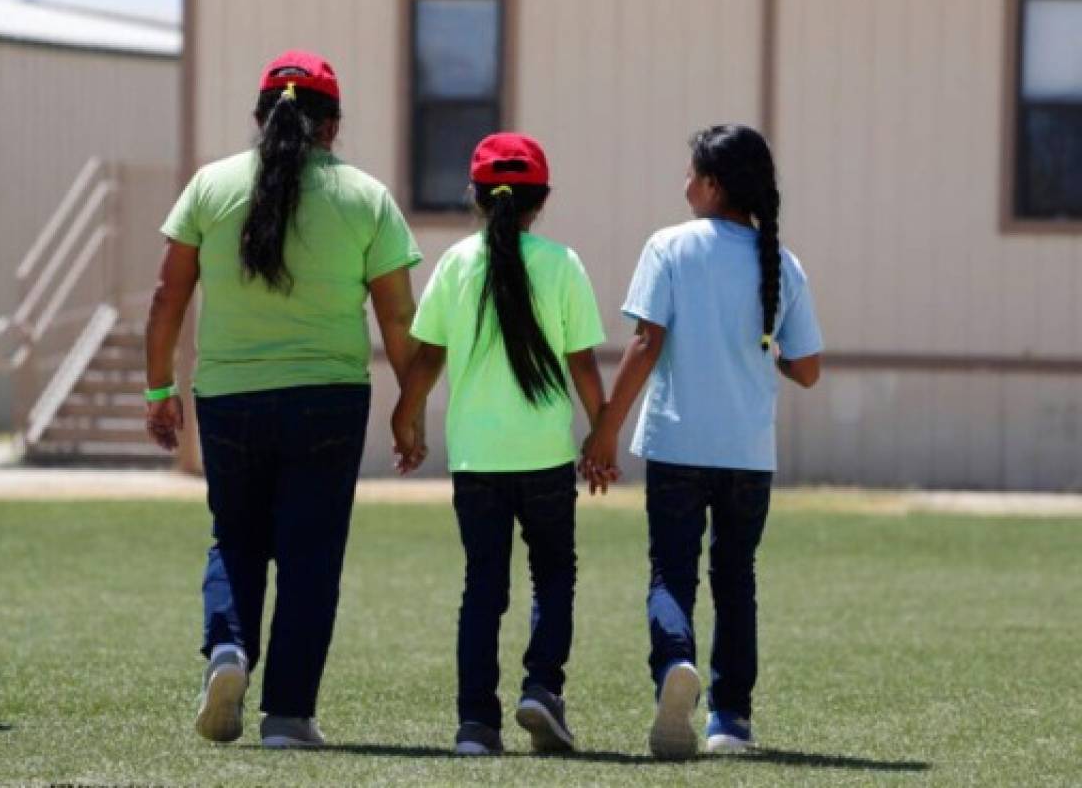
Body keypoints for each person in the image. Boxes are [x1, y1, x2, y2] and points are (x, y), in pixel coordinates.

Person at [144, 50, 423, 749]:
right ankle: (289, 717)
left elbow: (167, 295)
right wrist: (409, 408)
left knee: (235, 537)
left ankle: (229, 651)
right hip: (328, 399)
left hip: (229, 396)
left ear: (259, 118)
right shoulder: (366, 196)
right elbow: (397, 320)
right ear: (333, 126)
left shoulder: (210, 187)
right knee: (310, 555)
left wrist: (158, 390)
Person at [581, 124, 823, 759]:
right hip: (748, 453)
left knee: (671, 573)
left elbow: (645, 342)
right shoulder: (783, 262)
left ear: (712, 185)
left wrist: (605, 427)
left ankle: (674, 667)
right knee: (736, 577)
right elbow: (807, 368)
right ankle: (731, 722)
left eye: (690, 172)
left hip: (677, 443)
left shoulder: (669, 247)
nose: (683, 183)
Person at [392, 133, 607, 756]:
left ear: (476, 197)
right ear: (542, 201)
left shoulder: (456, 263)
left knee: (483, 585)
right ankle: (542, 687)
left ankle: (475, 725)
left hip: (475, 459)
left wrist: (406, 419)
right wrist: (601, 432)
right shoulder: (563, 263)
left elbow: (428, 357)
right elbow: (584, 365)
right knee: (554, 577)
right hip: (543, 455)